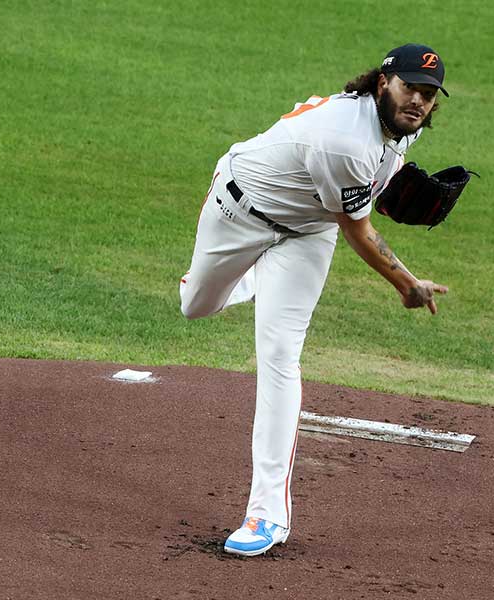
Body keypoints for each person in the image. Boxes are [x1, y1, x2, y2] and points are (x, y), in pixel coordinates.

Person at [179, 44, 451, 557]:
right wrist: (408, 284)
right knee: (197, 305)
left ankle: (266, 516)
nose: (418, 99)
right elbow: (359, 229)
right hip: (239, 212)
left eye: (429, 93)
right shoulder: (344, 140)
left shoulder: (401, 129)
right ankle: (247, 272)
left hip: (307, 232)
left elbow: (362, 196)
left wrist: (382, 192)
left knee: (280, 357)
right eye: (409, 86)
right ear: (381, 85)